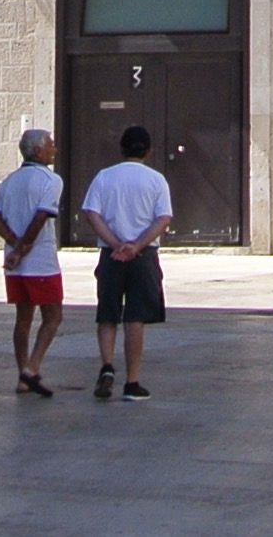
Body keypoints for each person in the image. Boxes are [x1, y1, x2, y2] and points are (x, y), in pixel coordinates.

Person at [76, 125, 174, 400]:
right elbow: (163, 219)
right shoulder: (156, 180)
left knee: (107, 313)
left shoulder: (104, 177)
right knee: (135, 317)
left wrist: (116, 243)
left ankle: (107, 365)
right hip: (143, 256)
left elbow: (91, 213)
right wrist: (136, 246)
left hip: (111, 254)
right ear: (149, 151)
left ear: (121, 149)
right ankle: (132, 381)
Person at [0, 127, 68, 397]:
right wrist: (23, 249)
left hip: (15, 265)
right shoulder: (51, 180)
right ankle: (31, 368)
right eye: (51, 146)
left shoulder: (9, 181)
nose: (54, 150)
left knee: (23, 318)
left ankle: (23, 372)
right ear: (38, 150)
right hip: (41, 261)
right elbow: (41, 218)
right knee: (53, 315)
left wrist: (13, 245)